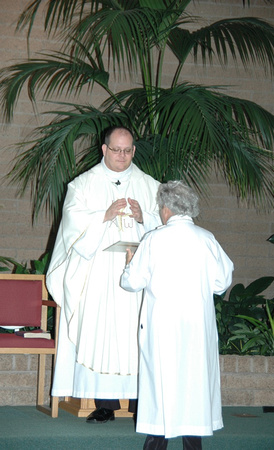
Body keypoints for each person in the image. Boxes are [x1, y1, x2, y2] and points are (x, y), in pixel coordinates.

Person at [46, 126, 161, 423]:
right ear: (104, 149)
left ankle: (140, 405)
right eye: (116, 150)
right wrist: (104, 216)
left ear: (134, 151)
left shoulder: (150, 185)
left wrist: (143, 217)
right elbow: (73, 228)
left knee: (138, 336)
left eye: (127, 150)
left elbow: (166, 226)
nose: (122, 156)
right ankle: (104, 404)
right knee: (102, 334)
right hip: (98, 274)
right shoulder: (82, 185)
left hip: (138, 273)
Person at [120, 180, 234, 449]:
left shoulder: (154, 239)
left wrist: (128, 265)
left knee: (162, 383)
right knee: (192, 382)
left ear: (167, 209)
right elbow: (222, 282)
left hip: (163, 326)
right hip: (196, 326)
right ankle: (192, 441)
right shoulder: (207, 239)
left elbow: (132, 282)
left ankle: (157, 441)